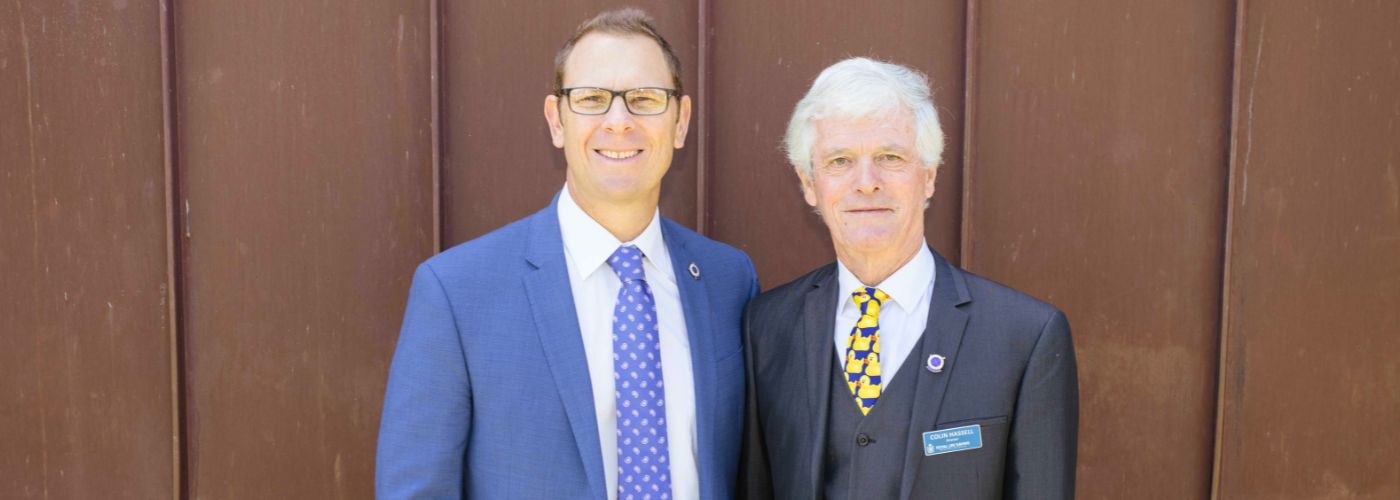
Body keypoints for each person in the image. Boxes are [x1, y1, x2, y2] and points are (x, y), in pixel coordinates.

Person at [377, 9, 758, 499]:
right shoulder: (457, 293)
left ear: (680, 122)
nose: (618, 122)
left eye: (644, 99)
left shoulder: (729, 280)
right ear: (556, 121)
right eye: (592, 99)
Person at [739, 57, 1077, 499]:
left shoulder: (1025, 336)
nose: (867, 182)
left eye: (890, 157)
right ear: (808, 184)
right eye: (840, 160)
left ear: (930, 176)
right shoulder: (767, 326)